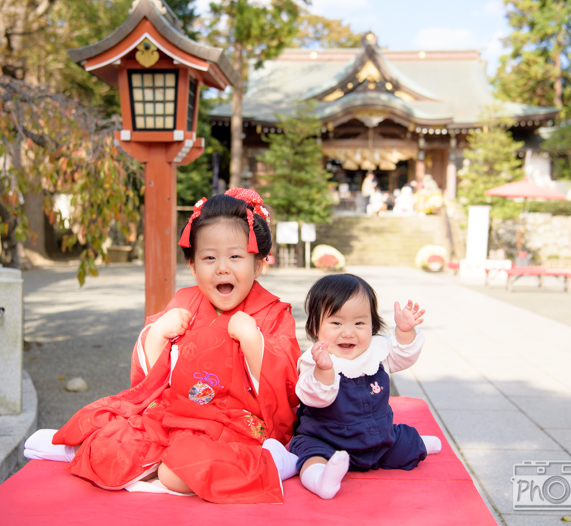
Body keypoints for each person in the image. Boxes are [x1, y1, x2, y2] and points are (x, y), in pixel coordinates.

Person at [25, 189, 302, 504]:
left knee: (182, 469)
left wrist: (254, 340)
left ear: (259, 264)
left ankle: (275, 462)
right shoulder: (185, 300)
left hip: (235, 423)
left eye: (235, 257)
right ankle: (93, 449)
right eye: (209, 258)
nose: (222, 268)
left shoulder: (273, 312)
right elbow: (151, 377)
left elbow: (288, 384)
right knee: (113, 447)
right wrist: (158, 333)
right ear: (193, 265)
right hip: (175, 414)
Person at [288, 274, 442, 500]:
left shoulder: (377, 352)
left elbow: (404, 356)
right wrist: (325, 371)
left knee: (402, 440)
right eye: (336, 323)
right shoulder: (316, 360)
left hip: (377, 439)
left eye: (359, 323)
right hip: (326, 439)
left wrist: (405, 332)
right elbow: (315, 397)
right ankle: (322, 479)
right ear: (315, 327)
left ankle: (417, 443)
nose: (349, 332)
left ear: (373, 324)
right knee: (309, 454)